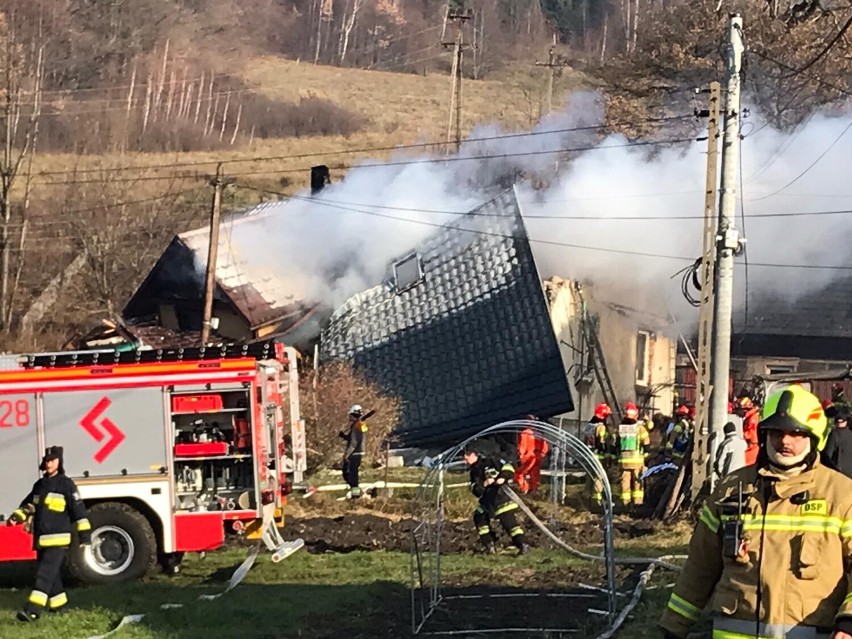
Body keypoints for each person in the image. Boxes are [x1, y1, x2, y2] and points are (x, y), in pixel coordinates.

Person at [659, 386, 852, 639]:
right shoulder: (731, 489)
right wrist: (674, 627)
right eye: (776, 432)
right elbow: (700, 566)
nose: (785, 441)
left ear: (814, 437)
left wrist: (848, 621)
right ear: (764, 434)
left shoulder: (842, 494)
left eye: (796, 433)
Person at [9, 446, 91, 622]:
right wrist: (17, 516)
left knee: (44, 575)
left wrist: (84, 535)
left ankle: (32, 611)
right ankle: (59, 606)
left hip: (58, 540)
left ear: (59, 462)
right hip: (41, 540)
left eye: (52, 460)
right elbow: (29, 505)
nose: (49, 464)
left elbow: (78, 510)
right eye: (47, 461)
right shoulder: (39, 485)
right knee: (51, 576)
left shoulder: (66, 484)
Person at [464, 441, 529, 556]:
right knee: (479, 517)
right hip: (488, 502)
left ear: (476, 454)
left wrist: (502, 477)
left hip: (502, 499)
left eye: (468, 454)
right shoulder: (474, 472)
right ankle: (489, 545)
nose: (465, 457)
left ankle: (523, 544)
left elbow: (508, 467)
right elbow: (476, 491)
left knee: (509, 524)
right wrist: (483, 484)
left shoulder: (491, 461)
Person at [617, 402, 650, 507]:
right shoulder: (639, 428)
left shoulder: (621, 428)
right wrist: (646, 456)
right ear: (635, 414)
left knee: (625, 481)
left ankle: (625, 503)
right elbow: (646, 443)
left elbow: (616, 444)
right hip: (637, 461)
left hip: (624, 461)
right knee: (637, 481)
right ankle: (637, 502)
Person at [515, 416, 550, 494]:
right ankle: (535, 490)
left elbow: (522, 446)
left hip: (528, 456)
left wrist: (520, 457)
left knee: (519, 473)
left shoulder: (525, 433)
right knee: (534, 474)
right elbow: (545, 448)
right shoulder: (539, 434)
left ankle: (523, 489)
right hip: (537, 456)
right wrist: (541, 455)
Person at [339, 404, 368, 499]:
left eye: (350, 415)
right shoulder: (360, 425)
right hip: (358, 452)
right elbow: (354, 439)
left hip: (354, 453)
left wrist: (346, 455)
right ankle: (355, 493)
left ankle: (355, 495)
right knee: (352, 474)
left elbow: (353, 442)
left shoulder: (356, 426)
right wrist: (344, 436)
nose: (349, 417)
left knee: (351, 475)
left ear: (353, 415)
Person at [824, 411, 852, 479]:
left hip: (839, 473)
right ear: (846, 422)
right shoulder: (850, 434)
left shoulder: (834, 434)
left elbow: (828, 455)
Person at [734, 396, 760, 466]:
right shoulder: (750, 417)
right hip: (750, 443)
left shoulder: (752, 418)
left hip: (752, 444)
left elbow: (752, 432)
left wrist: (741, 434)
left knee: (747, 464)